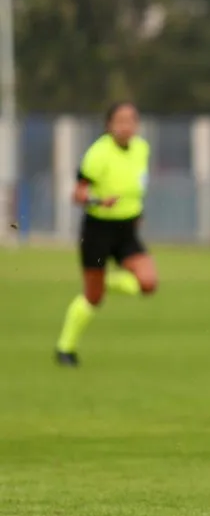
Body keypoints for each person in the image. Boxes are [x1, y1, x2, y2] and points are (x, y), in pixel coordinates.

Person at [54, 102, 159, 366]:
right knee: (93, 298)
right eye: (120, 121)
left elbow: (136, 186)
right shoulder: (98, 153)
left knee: (148, 283)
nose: (126, 126)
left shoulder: (141, 149)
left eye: (131, 120)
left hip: (126, 231)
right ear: (109, 125)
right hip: (98, 231)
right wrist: (98, 200)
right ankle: (65, 348)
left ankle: (104, 282)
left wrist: (138, 213)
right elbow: (77, 194)